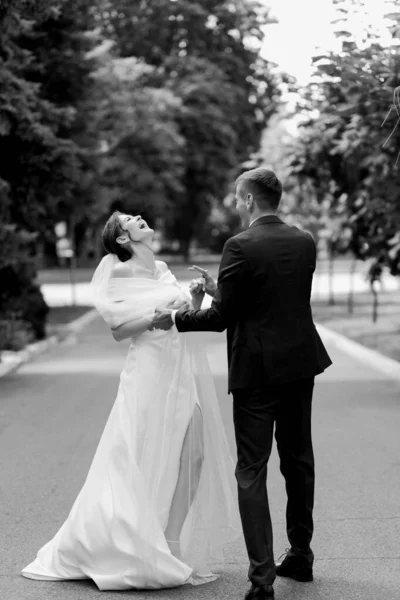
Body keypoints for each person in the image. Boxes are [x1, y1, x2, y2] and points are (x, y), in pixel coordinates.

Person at [21, 211, 241, 591]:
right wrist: (155, 322)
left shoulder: (159, 267)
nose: (139, 218)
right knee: (140, 455)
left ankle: (169, 542)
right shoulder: (117, 272)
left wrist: (196, 296)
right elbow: (118, 330)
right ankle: (123, 541)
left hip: (180, 367)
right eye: (130, 220)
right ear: (123, 239)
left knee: (195, 454)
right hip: (148, 371)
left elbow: (182, 315)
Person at [152, 168, 333, 600]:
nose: (235, 206)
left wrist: (175, 318)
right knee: (298, 460)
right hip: (300, 365)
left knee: (251, 470)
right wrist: (220, 289)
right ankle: (301, 557)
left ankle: (262, 580)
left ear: (250, 200)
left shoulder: (240, 245)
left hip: (256, 373)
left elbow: (222, 319)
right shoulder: (304, 240)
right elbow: (273, 299)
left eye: (237, 199)